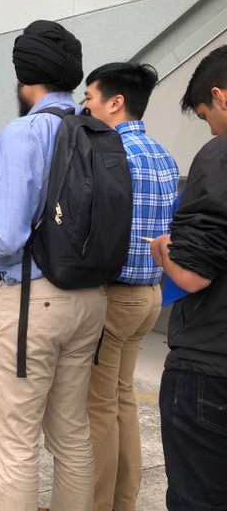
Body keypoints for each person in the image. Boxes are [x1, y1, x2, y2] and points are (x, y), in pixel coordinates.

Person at [0, 20, 107, 510]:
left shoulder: (25, 132)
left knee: (18, 445)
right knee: (71, 436)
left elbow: (7, 232)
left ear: (24, 81)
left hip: (33, 301)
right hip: (90, 300)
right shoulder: (97, 128)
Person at [81, 62, 179, 511]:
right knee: (123, 400)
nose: (85, 106)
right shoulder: (163, 154)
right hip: (152, 297)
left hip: (116, 297)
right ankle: (124, 502)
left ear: (115, 103)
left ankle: (97, 505)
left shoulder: (111, 154)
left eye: (90, 98)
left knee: (99, 408)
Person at [150, 45, 227, 511]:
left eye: (205, 116)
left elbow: (194, 275)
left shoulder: (220, 155)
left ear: (221, 97)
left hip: (211, 368)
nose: (211, 129)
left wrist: (163, 252)